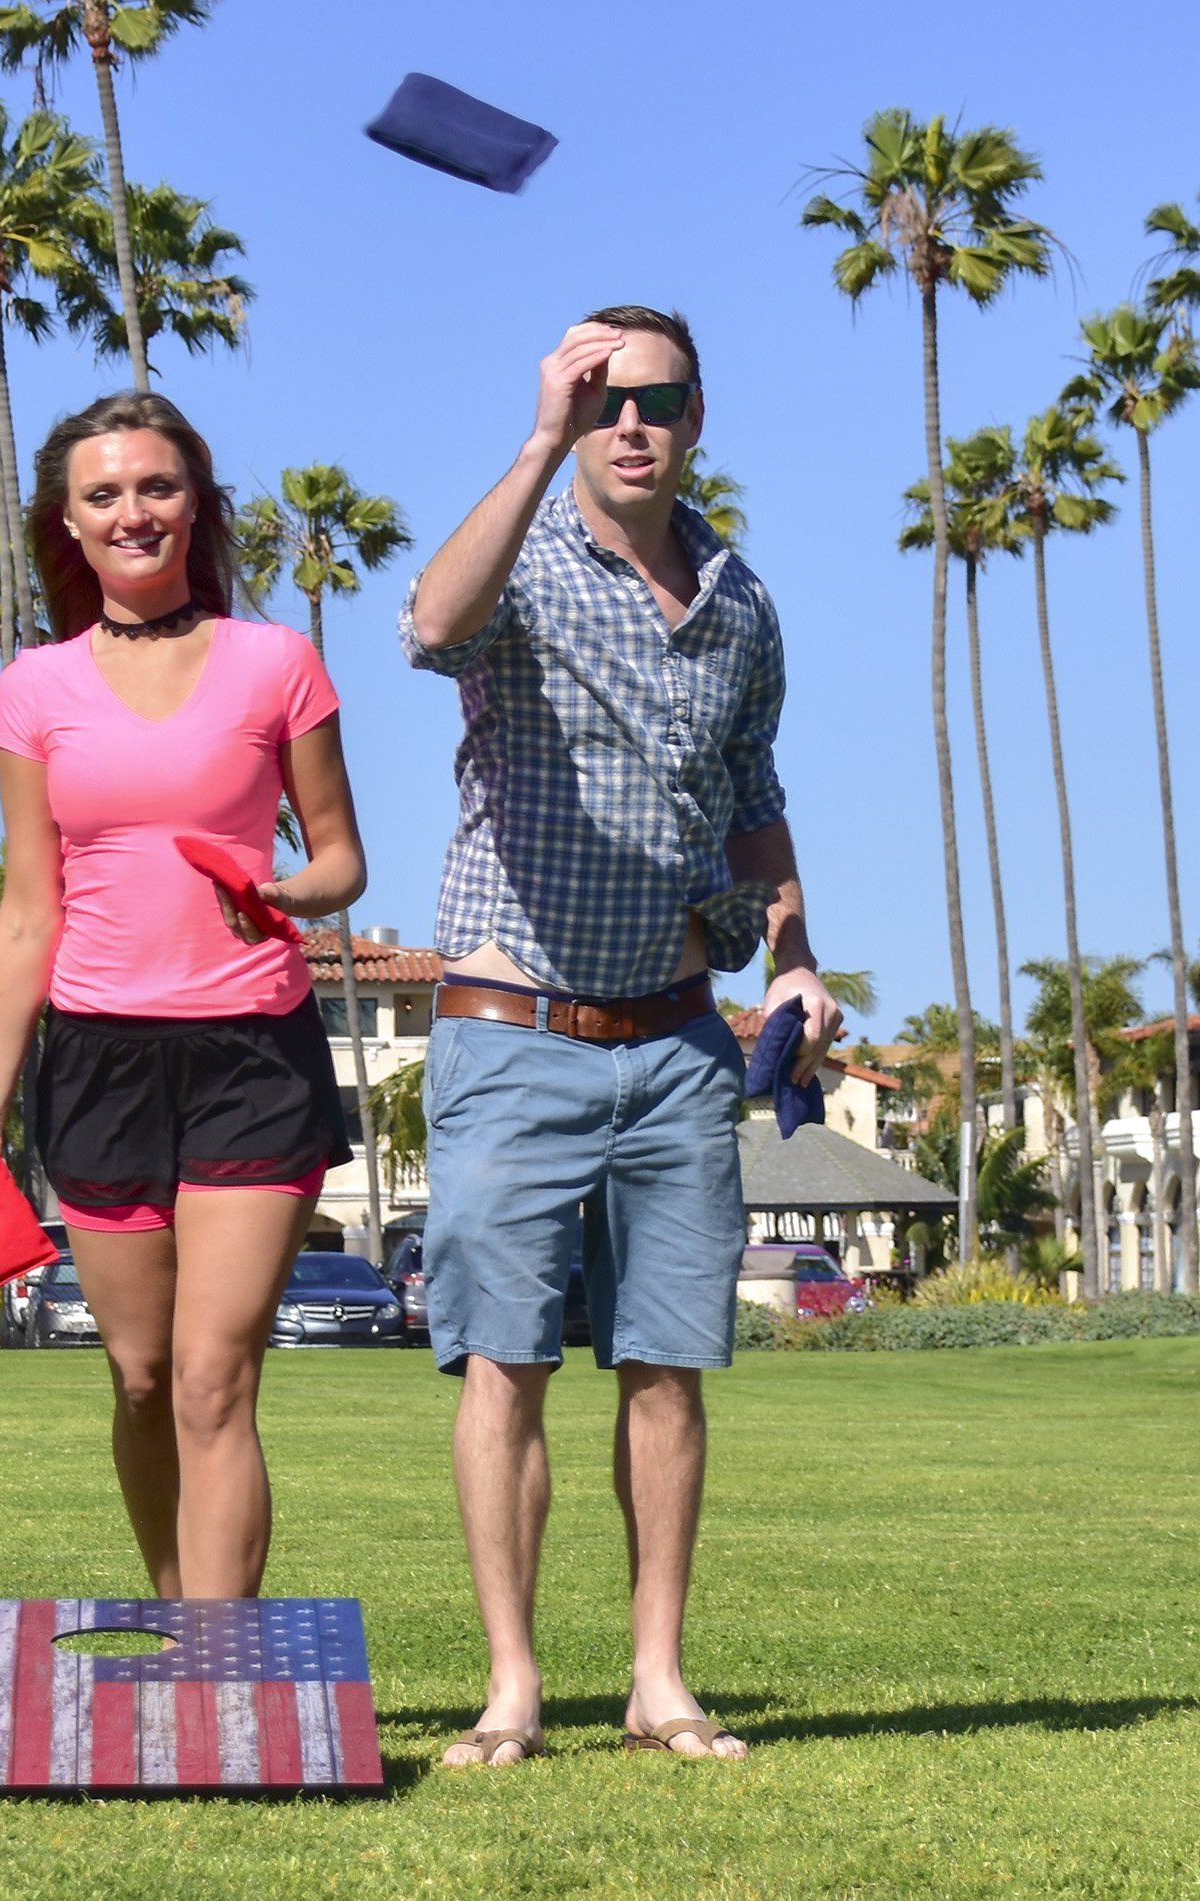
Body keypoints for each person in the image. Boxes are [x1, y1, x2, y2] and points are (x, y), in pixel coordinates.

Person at [401, 306, 842, 1765]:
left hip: (675, 1034)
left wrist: (793, 957)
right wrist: (536, 433)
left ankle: (658, 1677)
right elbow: (430, 624)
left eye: (654, 400)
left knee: (667, 1362)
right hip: (512, 1019)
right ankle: (514, 1684)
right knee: (504, 1362)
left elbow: (754, 796)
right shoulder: (518, 559)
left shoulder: (742, 601)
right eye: (603, 402)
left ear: (698, 415)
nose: (629, 423)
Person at [0, 391, 368, 1599]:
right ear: (66, 525)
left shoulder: (275, 661)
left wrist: (282, 887)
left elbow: (342, 856)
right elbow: (28, 909)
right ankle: (179, 1609)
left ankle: (220, 1669)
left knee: (211, 1376)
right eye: (103, 494)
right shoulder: (32, 688)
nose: (133, 511)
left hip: (251, 1051)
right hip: (96, 1058)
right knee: (136, 1375)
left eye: (156, 486)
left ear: (196, 505)